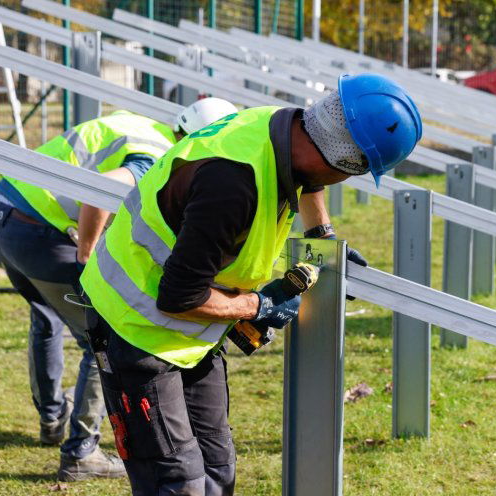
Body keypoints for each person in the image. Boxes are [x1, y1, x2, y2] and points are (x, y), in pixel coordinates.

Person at [79, 73, 422, 494]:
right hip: (135, 328)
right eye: (357, 170)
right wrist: (258, 306)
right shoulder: (232, 184)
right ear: (345, 162)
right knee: (177, 482)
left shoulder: (286, 129)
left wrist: (322, 237)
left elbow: (311, 177)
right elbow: (179, 296)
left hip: (189, 333)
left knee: (217, 469)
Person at [0, 98, 238, 482]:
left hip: (6, 214)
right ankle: (81, 453)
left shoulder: (139, 125)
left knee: (47, 316)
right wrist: (87, 256)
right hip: (40, 231)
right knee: (102, 336)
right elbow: (99, 190)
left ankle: (52, 418)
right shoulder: (158, 155)